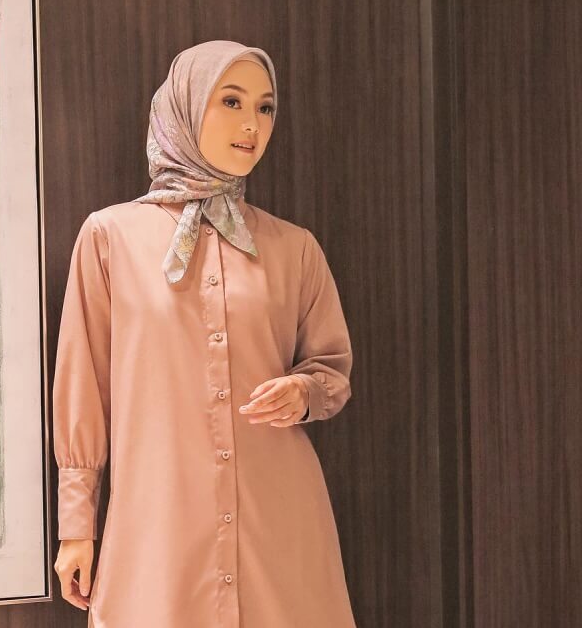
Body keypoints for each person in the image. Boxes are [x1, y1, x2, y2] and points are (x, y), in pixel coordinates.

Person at [52, 39, 356, 627]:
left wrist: (304, 393)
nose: (252, 125)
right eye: (232, 101)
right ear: (187, 107)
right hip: (159, 527)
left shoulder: (294, 248)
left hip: (279, 524)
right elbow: (83, 386)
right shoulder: (110, 238)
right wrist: (76, 526)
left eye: (265, 108)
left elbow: (331, 369)